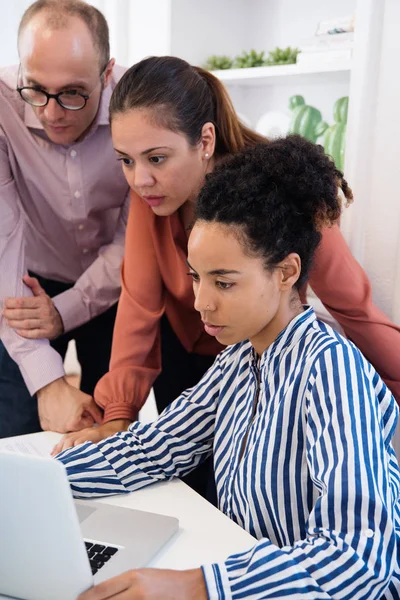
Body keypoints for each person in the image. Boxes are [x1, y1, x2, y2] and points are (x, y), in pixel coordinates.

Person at [58, 136, 400, 600]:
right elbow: (152, 449)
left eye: (224, 282)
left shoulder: (331, 373)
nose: (201, 302)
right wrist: (40, 479)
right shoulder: (237, 361)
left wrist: (196, 586)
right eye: (197, 277)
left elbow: (359, 561)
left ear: (285, 273)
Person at [54, 55, 400, 456]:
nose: (139, 179)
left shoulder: (280, 188)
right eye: (126, 161)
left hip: (258, 362)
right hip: (185, 361)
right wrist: (117, 416)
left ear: (204, 141)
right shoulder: (151, 195)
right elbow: (138, 306)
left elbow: (355, 308)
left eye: (156, 158)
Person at [0, 0, 129, 437]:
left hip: (117, 289)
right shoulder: (1, 102)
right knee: (15, 433)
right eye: (35, 89)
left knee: (104, 434)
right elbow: (4, 238)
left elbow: (134, 240)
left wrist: (68, 309)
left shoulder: (142, 101)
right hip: (26, 285)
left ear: (106, 74)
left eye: (73, 93)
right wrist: (47, 378)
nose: (51, 112)